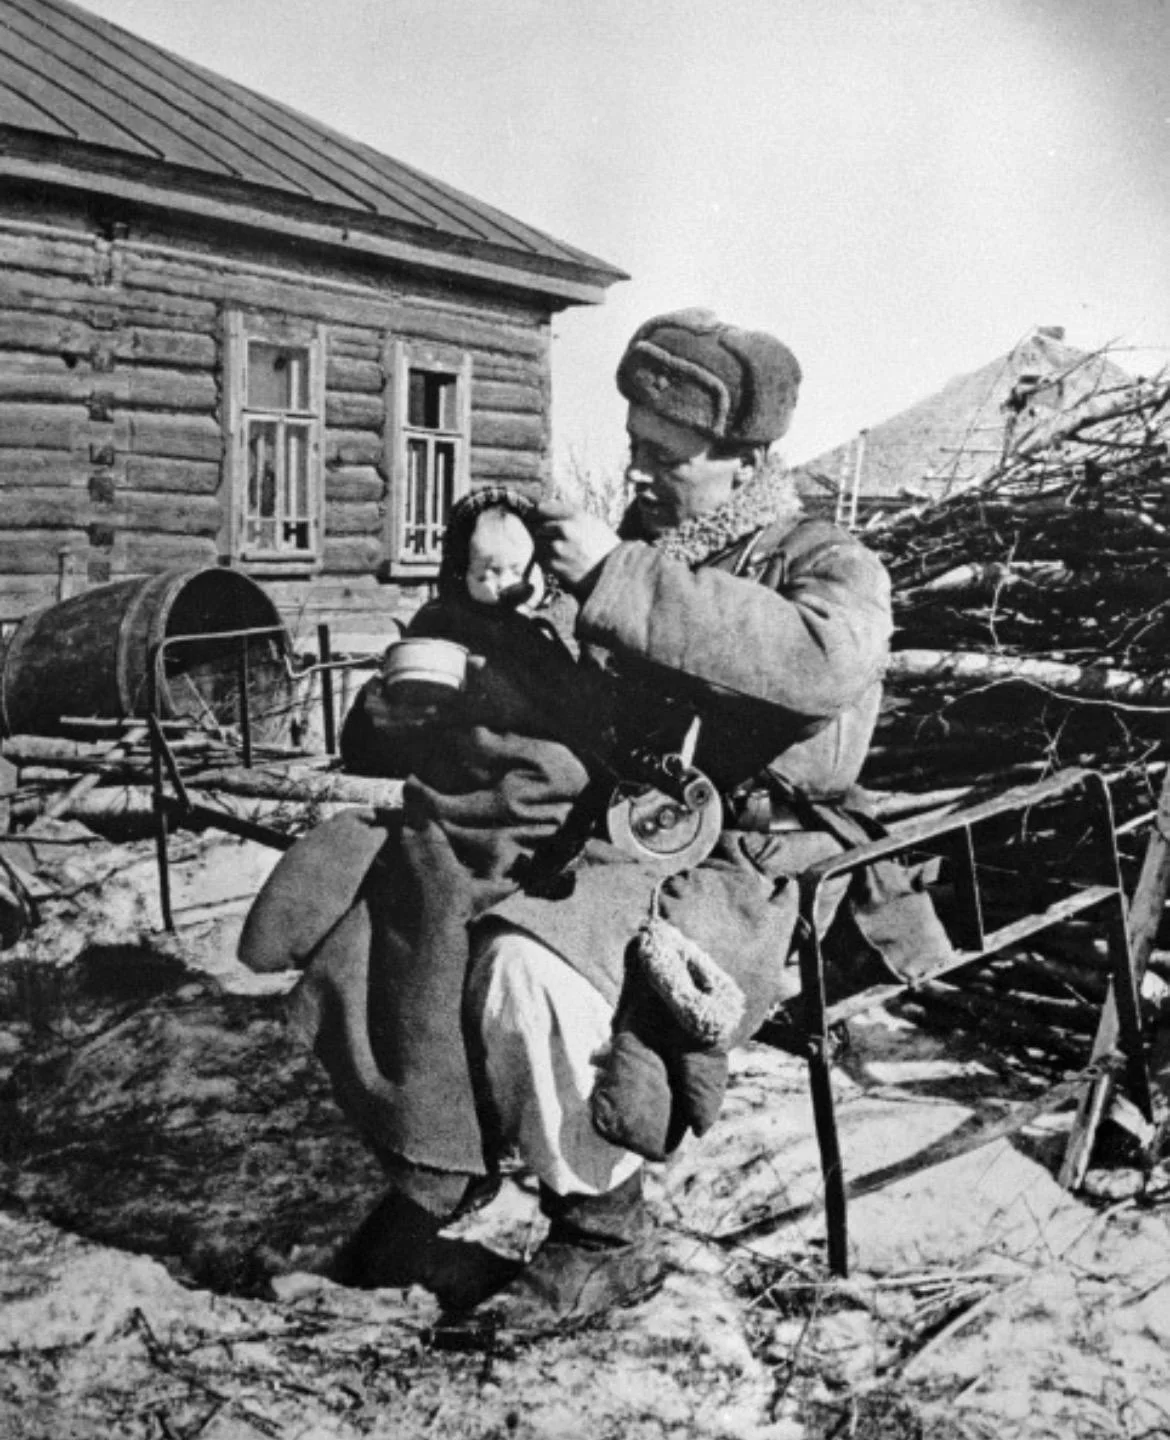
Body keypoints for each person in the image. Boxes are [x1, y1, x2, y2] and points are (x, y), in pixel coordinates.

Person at [240, 308, 947, 1331]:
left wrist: (618, 575)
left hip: (736, 859)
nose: (642, 471)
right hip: (613, 827)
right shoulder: (648, 546)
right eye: (635, 447)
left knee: (525, 967)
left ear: (746, 457)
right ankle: (435, 1169)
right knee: (408, 910)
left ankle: (603, 1231)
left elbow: (823, 662)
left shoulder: (825, 560)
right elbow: (572, 679)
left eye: (666, 455)